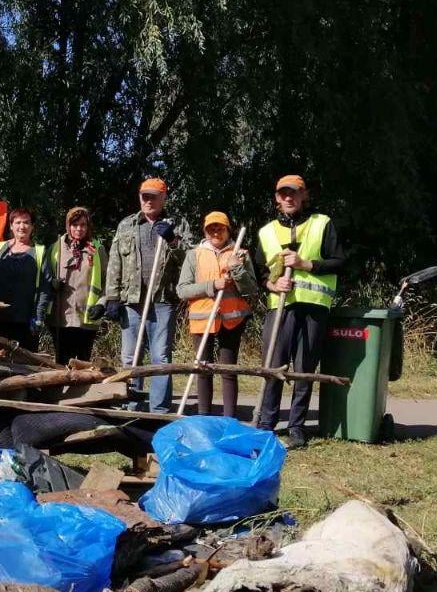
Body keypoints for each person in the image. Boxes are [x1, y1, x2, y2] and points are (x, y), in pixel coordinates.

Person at [253, 175, 345, 447]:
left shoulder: (322, 224)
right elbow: (259, 273)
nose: (288, 198)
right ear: (277, 199)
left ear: (304, 195)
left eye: (294, 193)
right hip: (280, 308)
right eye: (283, 194)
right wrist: (273, 283)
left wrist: (306, 264)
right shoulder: (267, 231)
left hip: (313, 308)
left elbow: (339, 262)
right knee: (273, 366)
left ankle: (296, 427)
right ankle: (267, 425)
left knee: (304, 369)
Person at [103, 177, 192, 413]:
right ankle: (132, 404)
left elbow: (190, 260)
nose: (148, 201)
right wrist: (112, 297)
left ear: (164, 197)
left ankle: (159, 410)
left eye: (153, 196)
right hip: (132, 301)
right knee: (130, 357)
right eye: (145, 196)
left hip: (162, 300)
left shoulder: (178, 224)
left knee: (161, 358)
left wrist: (173, 240)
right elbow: (115, 262)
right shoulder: (127, 225)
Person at [177, 211, 258, 417]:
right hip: (202, 320)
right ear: (205, 231)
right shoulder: (194, 255)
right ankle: (204, 416)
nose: (215, 232)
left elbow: (251, 290)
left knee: (228, 370)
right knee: (203, 370)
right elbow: (182, 290)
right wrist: (213, 285)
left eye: (219, 228)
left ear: (227, 230)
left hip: (232, 321)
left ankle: (230, 417)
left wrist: (237, 270)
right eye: (211, 228)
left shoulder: (240, 253)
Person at [0, 208, 50, 348]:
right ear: (11, 226)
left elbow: (45, 288)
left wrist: (39, 316)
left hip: (25, 322)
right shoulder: (0, 248)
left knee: (24, 365)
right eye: (17, 222)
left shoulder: (39, 252)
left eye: (26, 222)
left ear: (32, 226)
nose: (22, 226)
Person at [48, 206, 108, 364]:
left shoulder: (97, 250)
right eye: (75, 225)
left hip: (86, 319)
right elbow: (45, 279)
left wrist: (101, 304)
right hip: (61, 318)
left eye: (83, 225)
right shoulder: (55, 249)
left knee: (83, 363)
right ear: (68, 226)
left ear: (88, 226)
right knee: (61, 363)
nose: (79, 229)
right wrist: (52, 285)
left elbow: (107, 281)